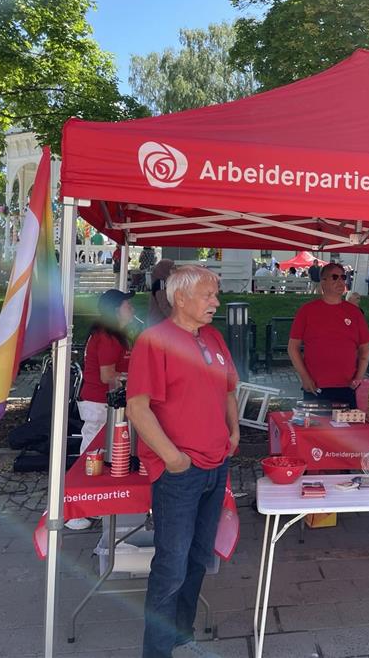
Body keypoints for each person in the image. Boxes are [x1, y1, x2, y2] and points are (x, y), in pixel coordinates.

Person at [126, 266, 240, 658]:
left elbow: (228, 389)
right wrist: (173, 458)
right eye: (208, 295)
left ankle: (181, 634)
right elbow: (137, 408)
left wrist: (234, 431)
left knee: (197, 559)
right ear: (180, 298)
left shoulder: (213, 337)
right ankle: (156, 651)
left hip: (216, 463)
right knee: (171, 566)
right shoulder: (154, 341)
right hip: (180, 472)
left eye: (216, 294)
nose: (216, 302)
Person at [67, 288, 135, 530]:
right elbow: (108, 375)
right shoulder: (107, 337)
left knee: (99, 455)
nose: (132, 309)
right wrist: (133, 377)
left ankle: (92, 504)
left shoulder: (115, 334)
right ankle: (75, 511)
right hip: (98, 403)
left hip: (104, 402)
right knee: (91, 455)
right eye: (128, 305)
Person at [288, 262, 369, 404]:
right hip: (315, 387)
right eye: (335, 277)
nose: (340, 281)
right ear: (323, 282)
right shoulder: (307, 311)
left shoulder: (355, 312)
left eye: (343, 277)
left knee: (349, 426)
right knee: (316, 425)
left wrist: (359, 377)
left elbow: (365, 350)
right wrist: (304, 377)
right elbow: (292, 348)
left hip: (348, 387)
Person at [148, 259, 175, 326]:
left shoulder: (164, 282)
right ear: (165, 269)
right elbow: (164, 305)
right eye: (172, 267)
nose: (175, 269)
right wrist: (176, 318)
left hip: (161, 321)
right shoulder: (161, 283)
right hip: (158, 322)